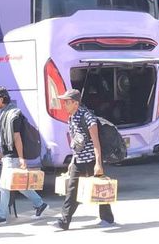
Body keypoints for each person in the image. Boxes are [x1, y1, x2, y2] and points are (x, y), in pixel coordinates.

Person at [0, 86, 48, 226]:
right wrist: (1, 153)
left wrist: (21, 158)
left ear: (1, 99)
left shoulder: (13, 114)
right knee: (17, 185)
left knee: (4, 186)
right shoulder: (5, 113)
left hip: (13, 157)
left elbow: (17, 137)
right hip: (9, 155)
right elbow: (7, 139)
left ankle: (1, 216)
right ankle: (40, 204)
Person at [53, 89, 114, 230]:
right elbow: (75, 141)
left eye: (67, 102)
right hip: (78, 160)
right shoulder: (71, 117)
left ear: (75, 103)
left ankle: (107, 218)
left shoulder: (88, 117)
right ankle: (64, 221)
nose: (64, 105)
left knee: (99, 189)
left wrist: (98, 163)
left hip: (91, 160)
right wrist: (72, 161)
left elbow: (96, 142)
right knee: (72, 190)